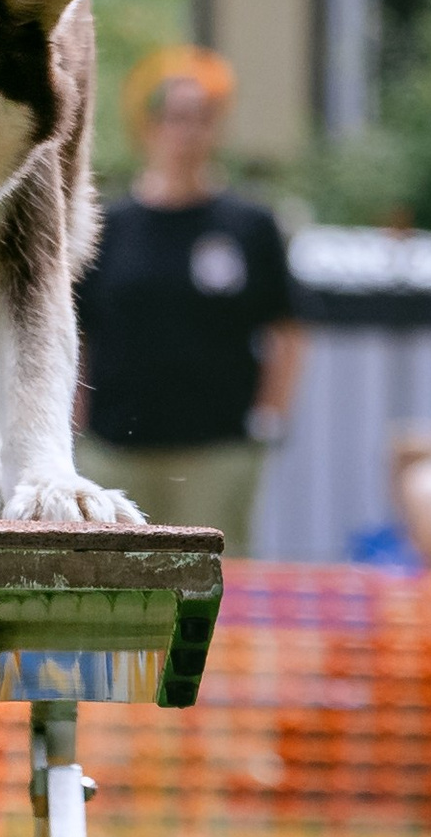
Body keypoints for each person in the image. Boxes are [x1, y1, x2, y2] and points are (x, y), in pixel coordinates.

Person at [73, 47, 303, 547]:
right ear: (149, 126)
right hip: (117, 451)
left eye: (203, 118)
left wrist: (270, 416)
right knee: (120, 584)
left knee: (218, 586)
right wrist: (73, 428)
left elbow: (286, 329)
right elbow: (76, 334)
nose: (188, 132)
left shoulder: (251, 226)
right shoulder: (105, 227)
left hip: (218, 450)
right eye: (176, 117)